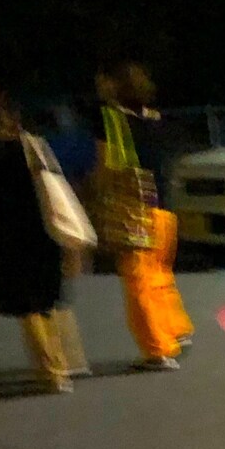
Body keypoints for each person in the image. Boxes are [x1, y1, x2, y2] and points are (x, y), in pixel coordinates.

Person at [0, 82, 88, 393]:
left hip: (11, 231)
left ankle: (52, 372)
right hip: (45, 226)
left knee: (28, 306)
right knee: (47, 298)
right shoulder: (30, 142)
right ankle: (66, 362)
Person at [90, 61, 192, 370]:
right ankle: (175, 329)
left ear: (114, 85)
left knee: (138, 283)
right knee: (160, 274)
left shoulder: (111, 119)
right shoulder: (156, 119)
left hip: (133, 209)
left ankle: (157, 350)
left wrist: (96, 200)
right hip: (163, 209)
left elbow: (107, 166)